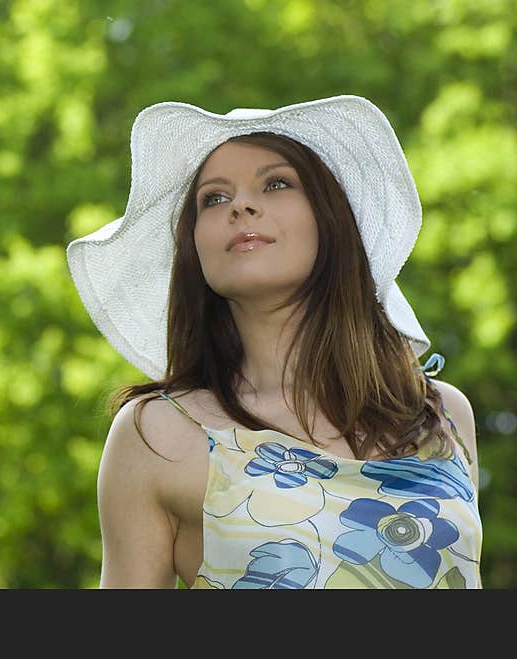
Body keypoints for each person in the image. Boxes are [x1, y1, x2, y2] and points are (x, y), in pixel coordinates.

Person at [66, 95, 482, 589]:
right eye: (214, 198)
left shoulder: (441, 414)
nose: (240, 205)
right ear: (194, 248)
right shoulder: (159, 434)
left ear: (331, 221)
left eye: (276, 183)